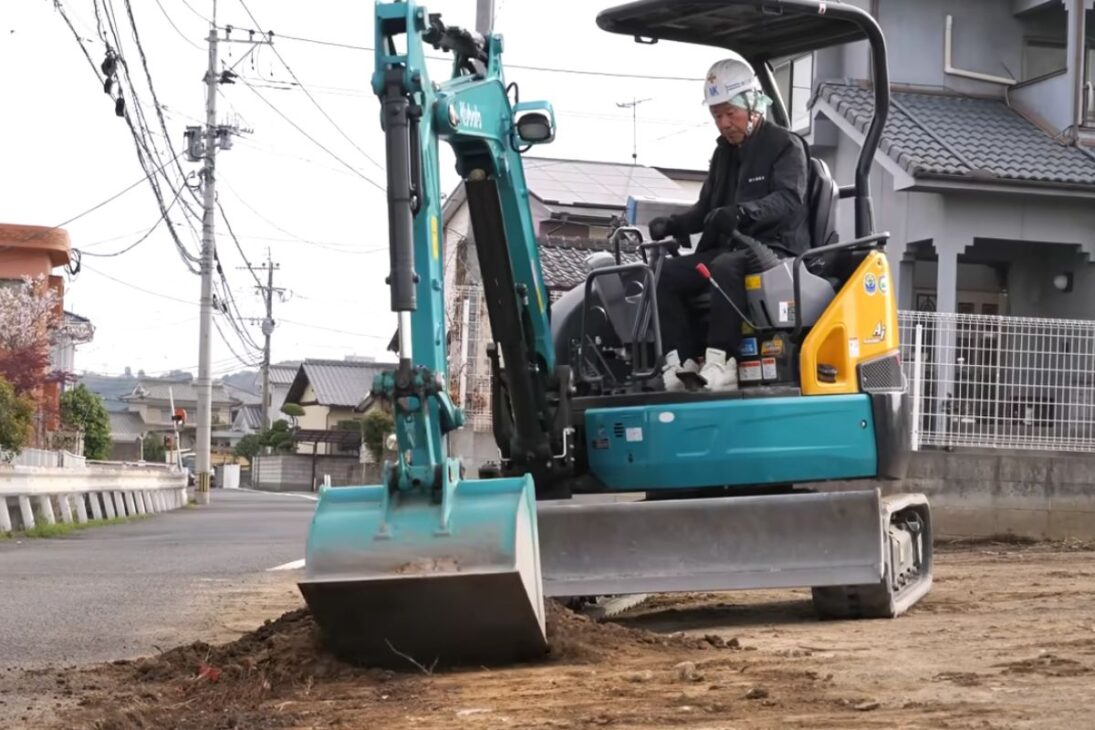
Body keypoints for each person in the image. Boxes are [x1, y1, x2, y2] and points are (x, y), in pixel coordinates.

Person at [648, 52, 811, 392]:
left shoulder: (785, 146)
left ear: (753, 105)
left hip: (774, 250)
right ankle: (681, 363)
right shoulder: (724, 154)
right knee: (664, 274)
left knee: (724, 266)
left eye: (729, 114)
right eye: (716, 115)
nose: (723, 123)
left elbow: (788, 200)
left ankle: (721, 363)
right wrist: (675, 224)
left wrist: (741, 213)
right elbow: (707, 208)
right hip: (729, 247)